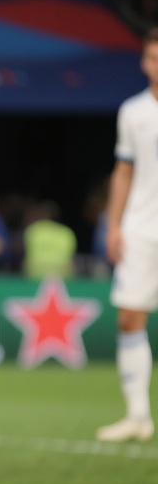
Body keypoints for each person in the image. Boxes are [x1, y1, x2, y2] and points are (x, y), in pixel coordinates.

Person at [97, 28, 158, 443]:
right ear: (144, 62)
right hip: (142, 226)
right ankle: (138, 416)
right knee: (129, 317)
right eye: (153, 57)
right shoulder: (133, 111)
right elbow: (123, 171)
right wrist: (114, 224)